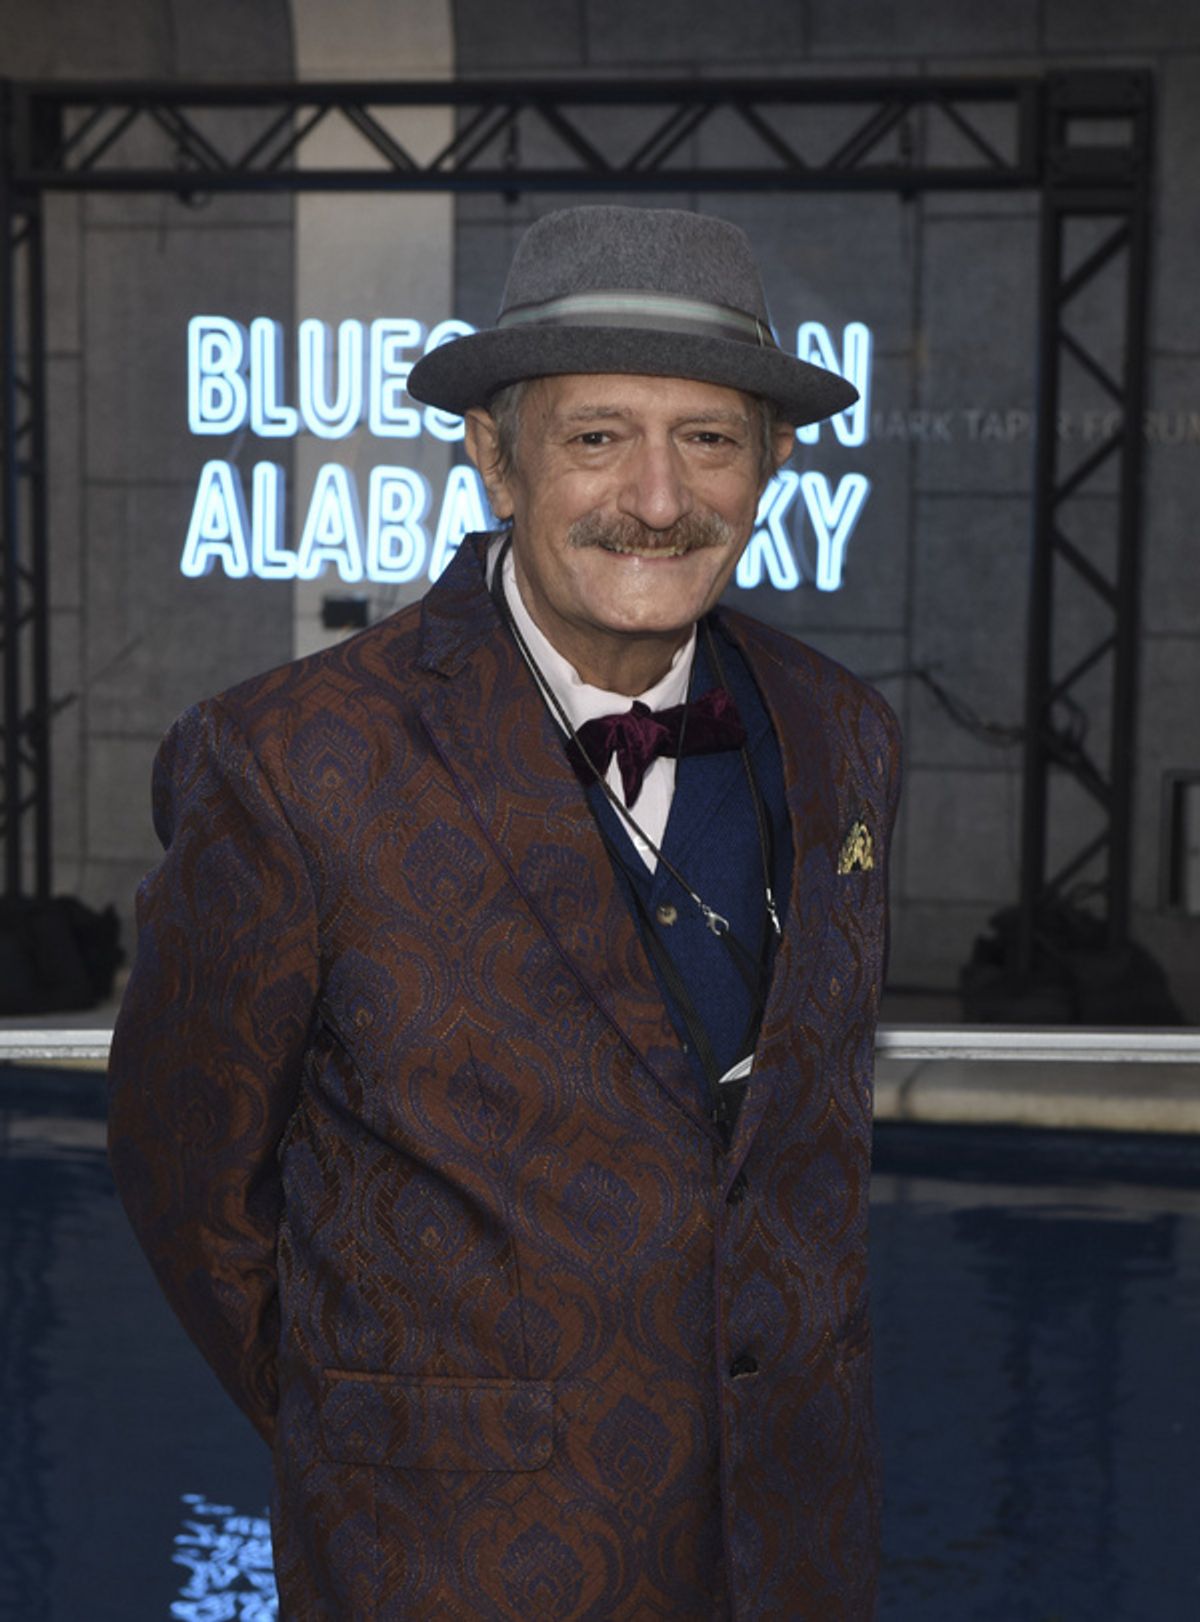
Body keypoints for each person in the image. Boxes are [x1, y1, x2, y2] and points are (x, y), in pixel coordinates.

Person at [108, 205, 901, 1620]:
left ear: (776, 460)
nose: (657, 496)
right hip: (443, 1557)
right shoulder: (288, 760)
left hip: (791, 1551)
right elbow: (187, 1173)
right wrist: (378, 1432)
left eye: (709, 438)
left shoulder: (847, 735)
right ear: (494, 452)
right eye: (598, 435)